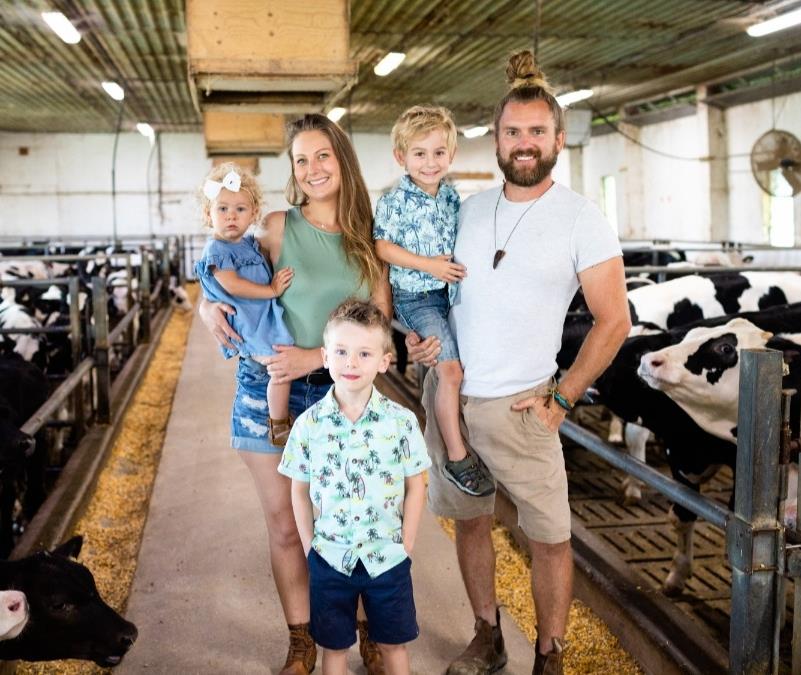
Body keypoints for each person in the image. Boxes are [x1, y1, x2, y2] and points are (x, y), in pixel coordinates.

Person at [407, 51, 631, 675]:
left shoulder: (582, 219)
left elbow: (615, 321)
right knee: (470, 523)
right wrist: (421, 340)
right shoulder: (466, 210)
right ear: (496, 139)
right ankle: (487, 634)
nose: (524, 143)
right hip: (451, 398)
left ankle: (550, 653)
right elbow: (429, 290)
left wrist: (562, 398)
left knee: (550, 537)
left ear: (558, 139)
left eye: (537, 132)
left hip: (525, 407)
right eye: (513, 132)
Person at [199, 114, 391, 675]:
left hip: (345, 393)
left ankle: (367, 629)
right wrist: (207, 308)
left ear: (343, 161)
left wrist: (319, 358)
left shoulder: (367, 233)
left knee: (347, 518)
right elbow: (223, 271)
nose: (312, 170)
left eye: (323, 156)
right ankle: (302, 638)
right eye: (301, 160)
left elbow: (379, 318)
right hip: (268, 389)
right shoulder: (278, 227)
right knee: (286, 523)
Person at [279, 299, 429, 675]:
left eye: (364, 353)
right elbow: (298, 489)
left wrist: (406, 542)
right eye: (342, 352)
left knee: (393, 646)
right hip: (331, 556)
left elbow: (417, 484)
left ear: (384, 360)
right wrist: (310, 543)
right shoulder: (309, 426)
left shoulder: (401, 422)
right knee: (334, 649)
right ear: (326, 356)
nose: (351, 363)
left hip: (388, 557)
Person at [374, 106, 494, 498]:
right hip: (417, 295)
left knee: (466, 367)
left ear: (452, 155)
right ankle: (457, 458)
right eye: (419, 153)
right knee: (451, 373)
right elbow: (382, 247)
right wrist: (428, 265)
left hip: (450, 294)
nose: (430, 162)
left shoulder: (451, 196)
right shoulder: (394, 200)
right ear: (401, 157)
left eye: (438, 152)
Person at [194, 163, 296, 446]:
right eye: (222, 209)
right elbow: (232, 285)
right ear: (208, 214)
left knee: (280, 367)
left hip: (260, 318)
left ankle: (279, 420)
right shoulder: (217, 249)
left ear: (253, 214)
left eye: (240, 209)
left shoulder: (249, 244)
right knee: (280, 366)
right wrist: (272, 290)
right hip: (248, 323)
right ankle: (278, 424)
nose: (231, 217)